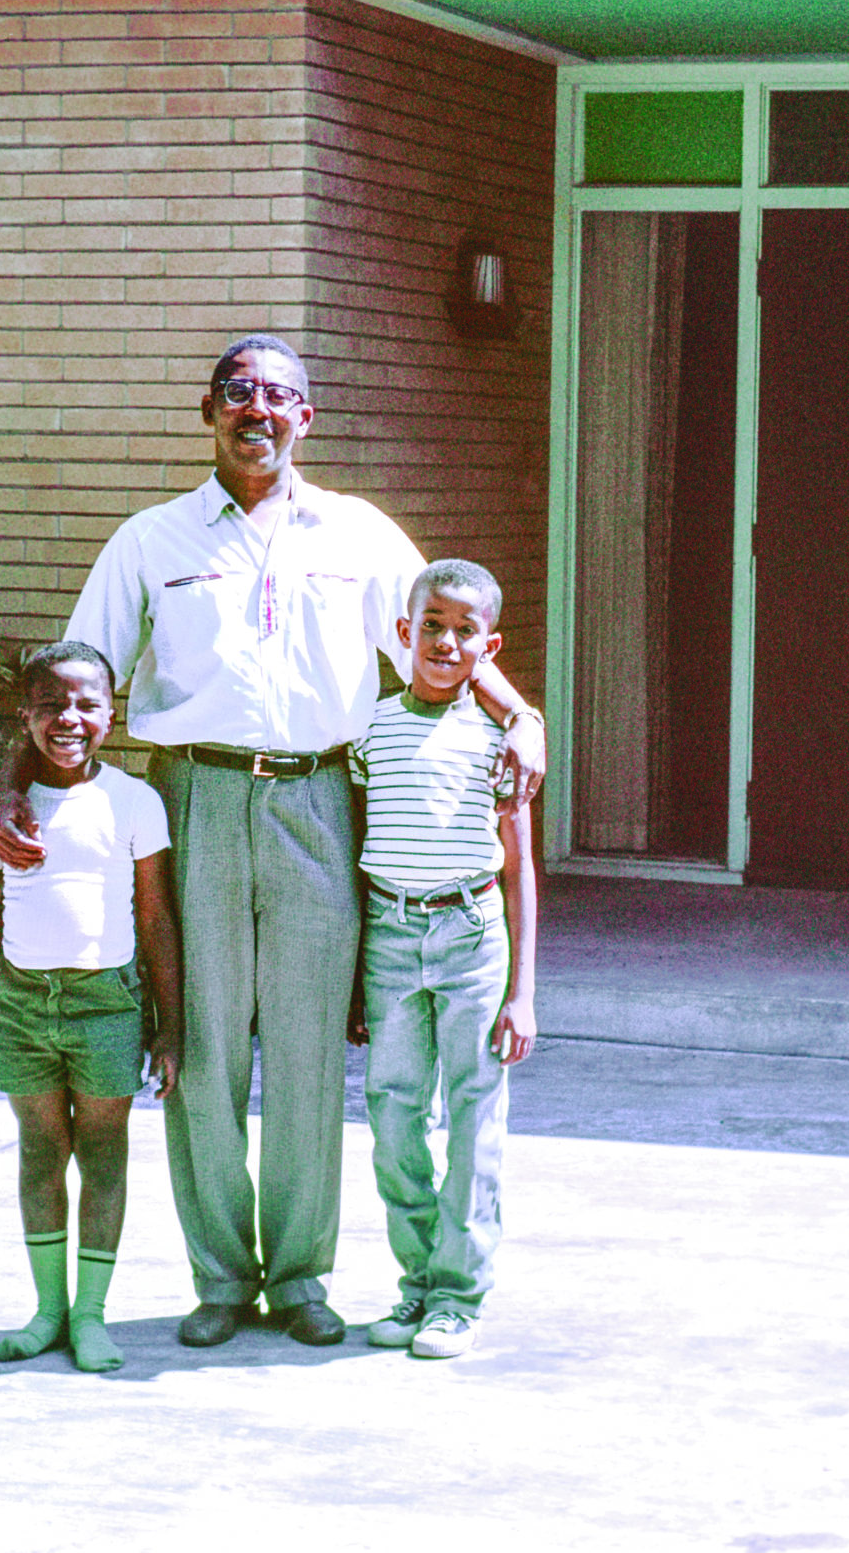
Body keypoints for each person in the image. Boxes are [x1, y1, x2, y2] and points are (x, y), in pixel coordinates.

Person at [0, 334, 545, 1349]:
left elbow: (443, 634)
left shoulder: (359, 533)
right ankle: (217, 1275)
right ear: (208, 409)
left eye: (280, 396)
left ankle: (296, 1275)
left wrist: (523, 716)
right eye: (239, 393)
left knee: (301, 1049)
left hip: (319, 803)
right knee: (199, 1046)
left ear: (306, 418)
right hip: (192, 802)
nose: (259, 411)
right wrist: (9, 782)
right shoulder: (151, 540)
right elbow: (76, 678)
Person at [0, 641, 182, 1375]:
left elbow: (157, 920)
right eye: (51, 704)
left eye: (87, 703)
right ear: (25, 715)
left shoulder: (134, 802)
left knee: (102, 1154)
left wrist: (171, 1029)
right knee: (40, 1154)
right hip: (25, 1002)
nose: (69, 717)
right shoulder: (1, 812)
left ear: (111, 712)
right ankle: (48, 1310)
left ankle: (92, 1313)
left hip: (106, 1003)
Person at [347, 559, 538, 1360]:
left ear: (487, 646)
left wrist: (521, 992)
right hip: (391, 937)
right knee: (393, 1114)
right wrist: (357, 974)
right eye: (432, 625)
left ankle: (459, 1295)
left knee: (472, 1116)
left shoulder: (499, 743)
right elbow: (359, 844)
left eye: (466, 632)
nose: (446, 642)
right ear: (404, 633)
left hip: (469, 937)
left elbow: (519, 866)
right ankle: (418, 1280)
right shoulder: (370, 733)